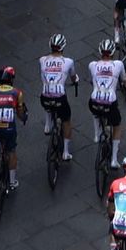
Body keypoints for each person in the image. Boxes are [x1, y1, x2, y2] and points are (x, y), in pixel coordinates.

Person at [88, 37, 126, 167]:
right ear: (112, 53)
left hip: (95, 101)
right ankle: (113, 160)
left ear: (100, 52)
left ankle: (96, 134)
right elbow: (125, 81)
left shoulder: (92, 65)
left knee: (95, 110)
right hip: (110, 103)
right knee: (117, 126)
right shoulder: (118, 64)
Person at [38, 32, 77, 164]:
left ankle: (48, 125)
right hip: (60, 98)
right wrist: (75, 80)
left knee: (47, 99)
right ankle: (66, 152)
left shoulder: (42, 60)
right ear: (63, 47)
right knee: (66, 120)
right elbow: (73, 77)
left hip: (45, 97)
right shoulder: (68, 62)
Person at [0, 64, 26, 192]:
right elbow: (20, 112)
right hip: (9, 129)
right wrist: (23, 118)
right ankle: (12, 181)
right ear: (11, 79)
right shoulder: (16, 93)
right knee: (12, 152)